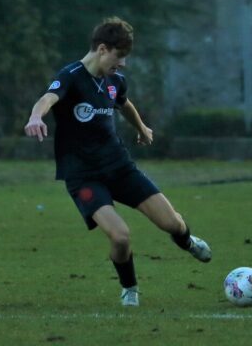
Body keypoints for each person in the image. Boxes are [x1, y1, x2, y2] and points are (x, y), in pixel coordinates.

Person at [24, 17, 211, 306]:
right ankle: (130, 289)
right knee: (121, 236)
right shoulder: (71, 75)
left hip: (120, 167)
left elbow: (124, 103)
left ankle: (187, 242)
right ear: (102, 49)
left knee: (171, 223)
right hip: (84, 177)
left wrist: (142, 127)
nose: (122, 63)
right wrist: (36, 116)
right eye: (119, 56)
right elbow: (47, 98)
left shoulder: (114, 81)